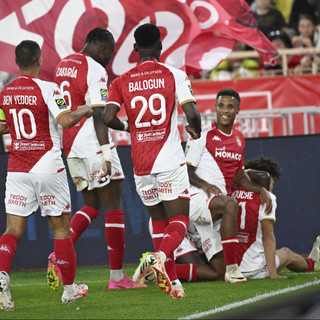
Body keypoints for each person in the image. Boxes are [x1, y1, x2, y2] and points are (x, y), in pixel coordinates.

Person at [103, 23, 202, 299]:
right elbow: (191, 113)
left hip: (141, 162)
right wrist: (197, 129)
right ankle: (158, 257)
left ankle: (173, 283)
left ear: (135, 49)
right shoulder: (174, 75)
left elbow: (108, 118)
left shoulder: (120, 81)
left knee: (159, 221)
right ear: (160, 46)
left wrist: (128, 128)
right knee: (180, 218)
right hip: (169, 158)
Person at [49, 27, 146, 290]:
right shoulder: (95, 69)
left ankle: (58, 255)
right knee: (114, 203)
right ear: (102, 49)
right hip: (91, 142)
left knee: (91, 204)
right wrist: (106, 154)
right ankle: (117, 278)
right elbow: (100, 115)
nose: (109, 59)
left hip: (69, 144)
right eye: (110, 54)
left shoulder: (63, 64)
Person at [0, 40, 92, 310]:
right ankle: (70, 290)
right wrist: (85, 110)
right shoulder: (50, 88)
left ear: (17, 62)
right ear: (40, 61)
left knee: (12, 229)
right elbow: (65, 121)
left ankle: (2, 277)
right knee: (61, 229)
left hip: (17, 166)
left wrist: (16, 130)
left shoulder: (5, 92)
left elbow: (2, 127)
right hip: (47, 164)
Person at [184, 88, 272, 284]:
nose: (225, 110)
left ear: (238, 110)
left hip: (217, 207)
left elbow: (239, 176)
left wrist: (261, 190)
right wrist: (205, 185)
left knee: (217, 273)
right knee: (230, 204)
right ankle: (233, 270)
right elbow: (185, 171)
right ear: (215, 108)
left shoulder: (239, 138)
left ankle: (160, 268)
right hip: (197, 199)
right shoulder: (202, 134)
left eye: (230, 106)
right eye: (221, 105)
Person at [232, 156, 320, 278]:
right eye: (273, 179)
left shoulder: (230, 191)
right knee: (286, 253)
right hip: (253, 270)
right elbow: (268, 237)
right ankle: (311, 264)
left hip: (228, 268)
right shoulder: (267, 198)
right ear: (268, 176)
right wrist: (273, 274)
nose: (273, 183)